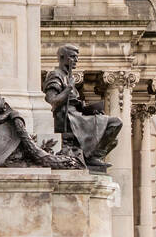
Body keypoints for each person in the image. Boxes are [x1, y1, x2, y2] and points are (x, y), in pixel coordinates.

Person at [43, 43, 122, 172]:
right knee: (115, 123)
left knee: (113, 137)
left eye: (77, 57)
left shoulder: (68, 77)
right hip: (68, 119)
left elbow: (74, 102)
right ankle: (92, 156)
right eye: (73, 57)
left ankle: (93, 156)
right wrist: (68, 88)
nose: (76, 60)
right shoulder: (55, 75)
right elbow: (52, 101)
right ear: (63, 57)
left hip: (77, 116)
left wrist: (90, 109)